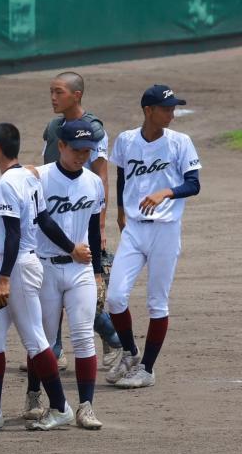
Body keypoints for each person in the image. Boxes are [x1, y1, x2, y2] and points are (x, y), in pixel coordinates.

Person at [0, 123, 86, 433]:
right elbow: (44, 219)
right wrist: (70, 248)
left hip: (17, 268)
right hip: (20, 265)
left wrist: (4, 277)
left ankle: (61, 408)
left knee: (34, 338)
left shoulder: (8, 183)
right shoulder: (29, 178)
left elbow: (14, 233)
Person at [104, 84, 201, 389]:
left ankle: (146, 369)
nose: (172, 112)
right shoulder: (126, 140)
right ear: (149, 111)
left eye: (173, 107)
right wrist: (120, 209)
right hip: (134, 228)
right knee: (115, 298)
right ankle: (131, 354)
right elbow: (121, 175)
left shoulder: (180, 142)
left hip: (166, 230)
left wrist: (166, 192)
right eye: (167, 108)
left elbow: (194, 184)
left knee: (157, 302)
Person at [42, 71, 123, 369]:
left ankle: (114, 340)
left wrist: (99, 227)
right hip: (52, 214)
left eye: (58, 92)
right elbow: (45, 166)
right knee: (50, 284)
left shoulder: (93, 129)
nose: (53, 97)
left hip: (80, 219)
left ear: (76, 95)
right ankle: (55, 349)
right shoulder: (53, 127)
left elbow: (101, 178)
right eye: (51, 91)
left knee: (78, 291)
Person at [35, 120, 108, 429]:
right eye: (77, 149)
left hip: (79, 270)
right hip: (46, 266)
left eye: (87, 151)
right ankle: (38, 396)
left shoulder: (93, 182)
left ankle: (85, 407)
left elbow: (93, 230)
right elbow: (41, 219)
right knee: (44, 340)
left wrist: (98, 272)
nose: (82, 155)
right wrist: (70, 247)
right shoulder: (40, 177)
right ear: (61, 146)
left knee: (83, 338)